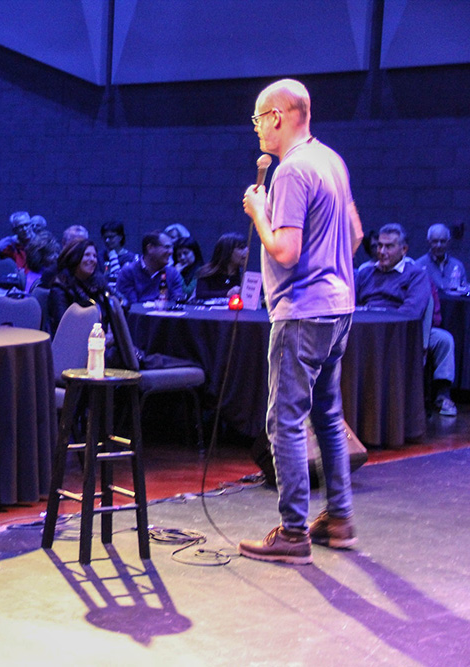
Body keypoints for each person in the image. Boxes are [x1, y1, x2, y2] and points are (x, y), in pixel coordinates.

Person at [239, 78, 364, 565]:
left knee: (284, 421)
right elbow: (354, 235)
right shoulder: (332, 160)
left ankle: (293, 532)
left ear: (276, 116)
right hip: (339, 307)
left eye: (257, 119)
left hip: (302, 312)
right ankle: (340, 518)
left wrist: (258, 212)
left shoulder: (291, 171)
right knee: (328, 417)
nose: (256, 130)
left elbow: (285, 251)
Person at [355, 223, 458, 416]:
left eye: (389, 246)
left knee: (444, 340)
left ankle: (442, 394)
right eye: (379, 246)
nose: (382, 251)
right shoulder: (365, 273)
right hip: (365, 332)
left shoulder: (416, 275)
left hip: (400, 333)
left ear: (403, 250)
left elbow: (410, 313)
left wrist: (377, 317)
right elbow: (351, 305)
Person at [48, 239, 112, 337]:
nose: (92, 259)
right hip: (74, 344)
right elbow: (63, 327)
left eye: (94, 256)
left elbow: (115, 309)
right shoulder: (60, 287)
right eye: (87, 255)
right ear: (75, 258)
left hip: (101, 340)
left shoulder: (99, 283)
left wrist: (111, 334)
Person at [115, 231, 184, 304]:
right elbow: (131, 306)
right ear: (150, 248)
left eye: (171, 247)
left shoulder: (172, 273)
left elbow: (176, 304)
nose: (171, 251)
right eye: (167, 247)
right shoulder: (129, 272)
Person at [195, 232, 249, 299]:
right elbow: (200, 294)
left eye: (246, 247)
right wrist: (227, 293)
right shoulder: (206, 272)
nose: (247, 251)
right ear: (227, 252)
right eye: (241, 248)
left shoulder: (243, 275)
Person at [415, 223, 466, 290]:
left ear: (448, 242)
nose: (439, 245)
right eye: (435, 241)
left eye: (442, 241)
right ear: (429, 242)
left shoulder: (458, 266)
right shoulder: (418, 266)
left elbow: (464, 293)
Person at [173, 236, 204, 300]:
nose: (182, 257)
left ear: (195, 253)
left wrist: (177, 274)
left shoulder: (201, 270)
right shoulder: (173, 269)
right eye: (179, 255)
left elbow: (187, 294)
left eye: (186, 253)